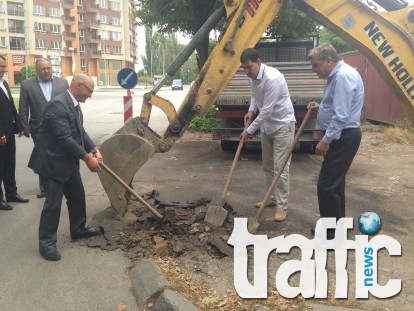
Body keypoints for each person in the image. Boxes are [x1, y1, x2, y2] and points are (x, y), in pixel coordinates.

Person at [28, 74, 103, 261]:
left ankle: (78, 229)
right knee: (53, 204)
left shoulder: (75, 106)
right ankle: (46, 244)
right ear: (78, 86)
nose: (90, 95)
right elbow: (64, 138)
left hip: (67, 161)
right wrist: (87, 159)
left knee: (77, 195)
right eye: (89, 91)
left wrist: (94, 149)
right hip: (52, 162)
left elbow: (80, 132)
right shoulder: (58, 105)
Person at [307, 43, 364, 239]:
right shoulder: (337, 75)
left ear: (328, 61)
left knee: (326, 186)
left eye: (316, 65)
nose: (314, 70)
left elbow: (341, 116)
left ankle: (332, 234)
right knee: (335, 186)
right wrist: (321, 106)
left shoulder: (342, 77)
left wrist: (326, 140)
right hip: (343, 135)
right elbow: (336, 104)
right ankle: (337, 229)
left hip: (343, 137)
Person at [239, 48, 296, 222]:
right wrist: (250, 110)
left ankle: (282, 206)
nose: (247, 72)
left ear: (258, 61)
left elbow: (267, 111)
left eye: (249, 67)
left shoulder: (273, 78)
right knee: (268, 166)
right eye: (244, 68)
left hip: (282, 125)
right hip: (267, 127)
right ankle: (271, 198)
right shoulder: (253, 77)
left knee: (280, 168)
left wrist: (249, 131)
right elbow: (256, 95)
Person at [19, 58, 69, 198]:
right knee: (43, 156)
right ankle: (45, 187)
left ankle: (62, 182)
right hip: (39, 128)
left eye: (49, 68)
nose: (47, 71)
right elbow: (23, 108)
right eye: (43, 69)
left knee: (62, 154)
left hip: (61, 127)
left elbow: (70, 105)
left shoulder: (62, 83)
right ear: (37, 70)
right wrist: (25, 127)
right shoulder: (27, 85)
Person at [0, 55, 29, 210]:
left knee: (10, 165)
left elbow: (11, 107)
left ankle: (11, 193)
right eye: (1, 67)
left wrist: (19, 126)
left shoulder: (4, 83)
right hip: (1, 135)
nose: (4, 70)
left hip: (9, 133)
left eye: (5, 67)